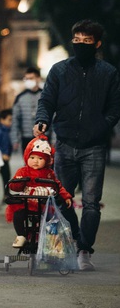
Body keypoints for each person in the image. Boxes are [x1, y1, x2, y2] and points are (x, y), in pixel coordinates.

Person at [34, 19, 120, 271]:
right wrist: (42, 120)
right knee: (61, 199)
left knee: (92, 203)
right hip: (65, 143)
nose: (81, 45)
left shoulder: (108, 73)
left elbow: (115, 109)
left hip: (94, 146)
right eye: (77, 40)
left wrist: (99, 128)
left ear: (97, 43)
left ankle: (84, 250)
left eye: (87, 41)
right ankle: (73, 240)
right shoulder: (59, 70)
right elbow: (46, 100)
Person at [6, 135, 72, 248]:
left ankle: (51, 239)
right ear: (27, 157)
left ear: (47, 161)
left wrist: (65, 196)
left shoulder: (49, 173)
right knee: (18, 215)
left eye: (40, 159)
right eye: (32, 158)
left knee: (52, 218)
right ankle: (21, 235)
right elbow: (14, 186)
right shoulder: (23, 171)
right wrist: (18, 182)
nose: (35, 161)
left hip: (44, 204)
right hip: (26, 202)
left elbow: (57, 186)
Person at [11, 67, 44, 154]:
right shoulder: (20, 97)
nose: (29, 81)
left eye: (31, 78)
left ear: (38, 78)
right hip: (26, 137)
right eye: (27, 79)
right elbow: (15, 119)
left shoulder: (45, 95)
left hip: (43, 137)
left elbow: (53, 117)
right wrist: (15, 139)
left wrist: (53, 140)